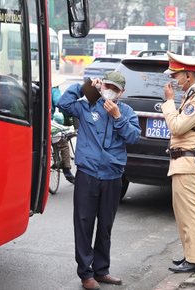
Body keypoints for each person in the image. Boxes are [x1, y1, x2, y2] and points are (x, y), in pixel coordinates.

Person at [57, 71, 141, 290]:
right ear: (101, 85)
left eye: (115, 89)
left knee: (105, 225)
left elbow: (133, 137)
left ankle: (101, 270)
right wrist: (86, 86)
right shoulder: (87, 105)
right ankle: (86, 273)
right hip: (87, 174)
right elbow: (62, 103)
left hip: (113, 177)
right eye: (107, 86)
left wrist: (117, 118)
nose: (110, 91)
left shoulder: (126, 112)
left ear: (122, 92)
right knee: (84, 224)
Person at [162, 51, 195, 273]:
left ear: (188, 76)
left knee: (190, 213)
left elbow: (177, 127)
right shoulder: (192, 94)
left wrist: (169, 103)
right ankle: (190, 255)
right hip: (184, 161)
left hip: (189, 162)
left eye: (177, 76)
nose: (174, 81)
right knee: (183, 212)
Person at [51, 72, 75, 183]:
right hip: (49, 123)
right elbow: (60, 104)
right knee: (63, 143)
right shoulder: (54, 90)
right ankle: (67, 171)